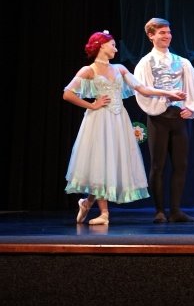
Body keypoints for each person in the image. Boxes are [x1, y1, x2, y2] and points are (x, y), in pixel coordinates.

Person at [64, 30, 186, 225]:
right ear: (101, 46)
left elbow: (142, 88)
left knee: (109, 163)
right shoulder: (88, 70)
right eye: (112, 45)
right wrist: (92, 105)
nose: (115, 49)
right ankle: (104, 213)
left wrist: (168, 93)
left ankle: (87, 203)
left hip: (118, 119)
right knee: (100, 161)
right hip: (99, 120)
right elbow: (68, 93)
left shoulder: (119, 69)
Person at [134, 18, 194, 223]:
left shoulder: (182, 62)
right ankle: (159, 211)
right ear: (151, 35)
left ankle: (175, 210)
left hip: (177, 119)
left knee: (181, 165)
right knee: (158, 165)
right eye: (162, 32)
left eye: (168, 32)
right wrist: (161, 102)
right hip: (158, 118)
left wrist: (191, 109)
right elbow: (142, 89)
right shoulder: (146, 63)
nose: (167, 36)